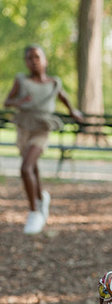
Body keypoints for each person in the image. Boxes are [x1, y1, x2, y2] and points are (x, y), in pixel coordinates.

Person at [4, 44, 83, 235]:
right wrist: (19, 102)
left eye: (37, 57)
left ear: (45, 60)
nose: (33, 61)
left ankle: (34, 212)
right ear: (26, 62)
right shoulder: (21, 81)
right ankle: (41, 201)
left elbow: (63, 98)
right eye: (29, 58)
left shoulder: (53, 83)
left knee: (25, 168)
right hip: (24, 128)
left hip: (42, 129)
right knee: (33, 168)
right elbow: (7, 101)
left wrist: (73, 112)